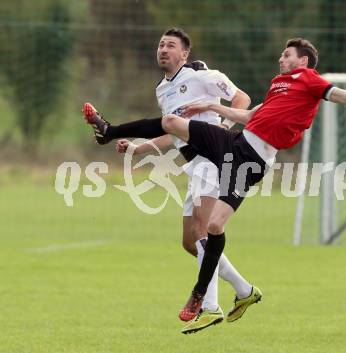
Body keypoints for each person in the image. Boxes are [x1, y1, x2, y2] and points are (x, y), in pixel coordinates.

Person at [83, 37, 346, 322]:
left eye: (286, 55)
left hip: (255, 161)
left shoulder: (310, 81)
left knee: (214, 228)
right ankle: (108, 131)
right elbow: (247, 115)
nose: (281, 58)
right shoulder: (276, 84)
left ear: (303, 60)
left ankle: (206, 294)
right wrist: (207, 108)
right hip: (235, 142)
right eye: (281, 54)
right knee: (171, 122)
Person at [89, 27, 262, 334]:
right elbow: (173, 131)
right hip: (194, 164)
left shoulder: (201, 75)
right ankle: (245, 290)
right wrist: (140, 147)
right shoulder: (162, 90)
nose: (163, 49)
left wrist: (223, 124)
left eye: (170, 45)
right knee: (190, 241)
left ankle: (210, 306)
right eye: (160, 45)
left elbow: (242, 98)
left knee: (202, 231)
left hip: (214, 158)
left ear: (184, 54)